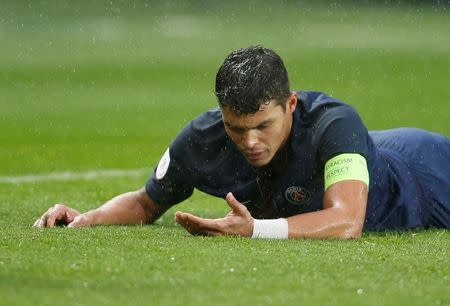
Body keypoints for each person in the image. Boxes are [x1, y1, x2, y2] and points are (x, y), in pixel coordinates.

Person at [33, 46, 450, 239]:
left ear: (291, 104)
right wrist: (87, 218)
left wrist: (255, 231)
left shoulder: (335, 124)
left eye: (263, 126)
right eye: (236, 127)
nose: (249, 141)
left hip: (424, 175)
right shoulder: (202, 140)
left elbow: (346, 222)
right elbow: (145, 203)